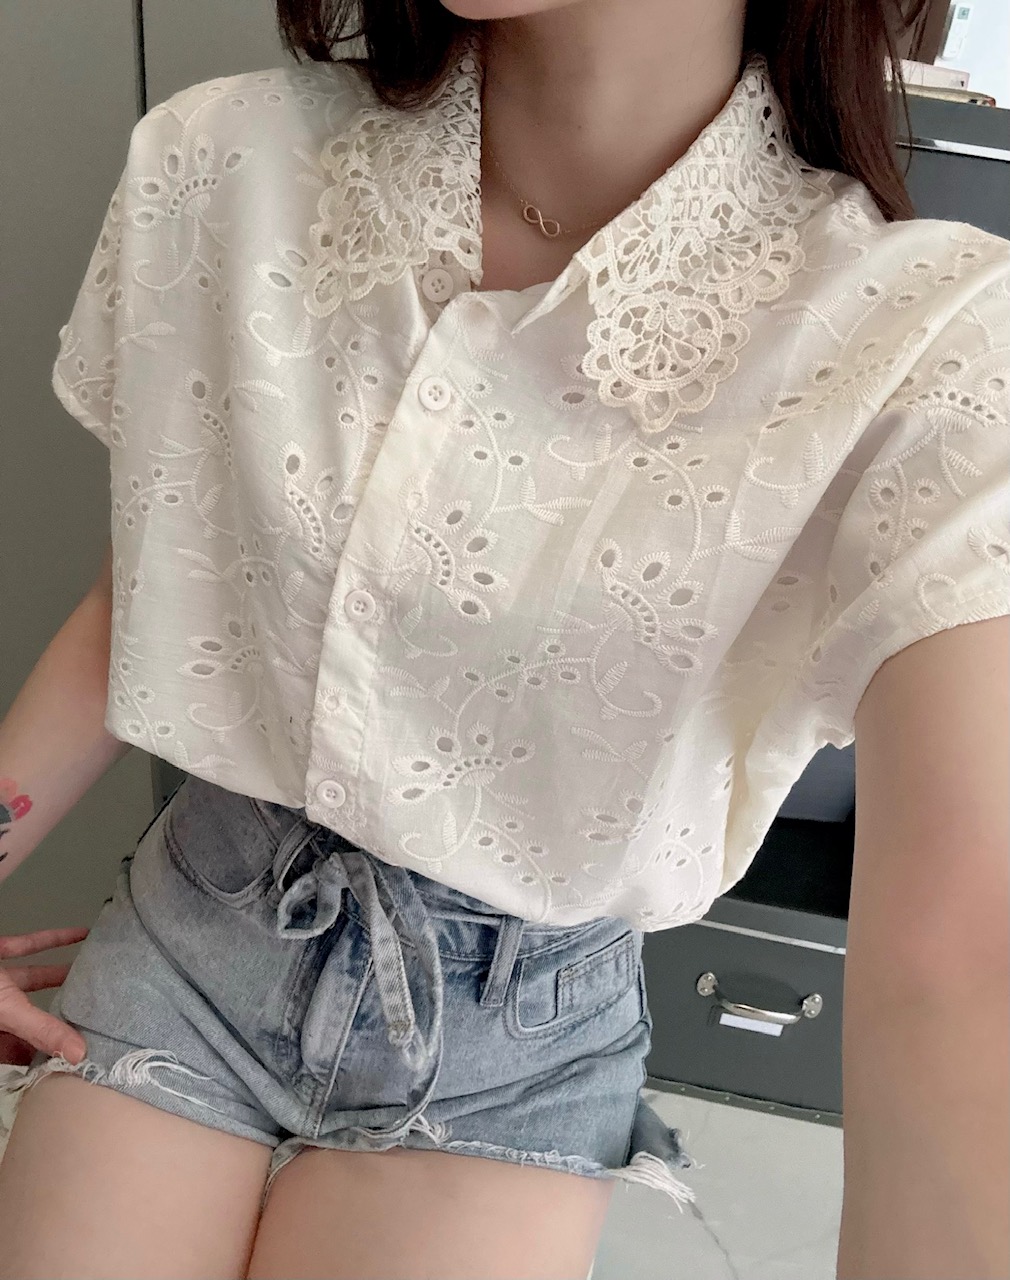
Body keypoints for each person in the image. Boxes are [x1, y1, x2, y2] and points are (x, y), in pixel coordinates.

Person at [1, 0, 1008, 1276]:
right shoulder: (223, 160)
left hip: (513, 1032)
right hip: (200, 925)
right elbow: (150, 594)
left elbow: (963, 957)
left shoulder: (922, 342)